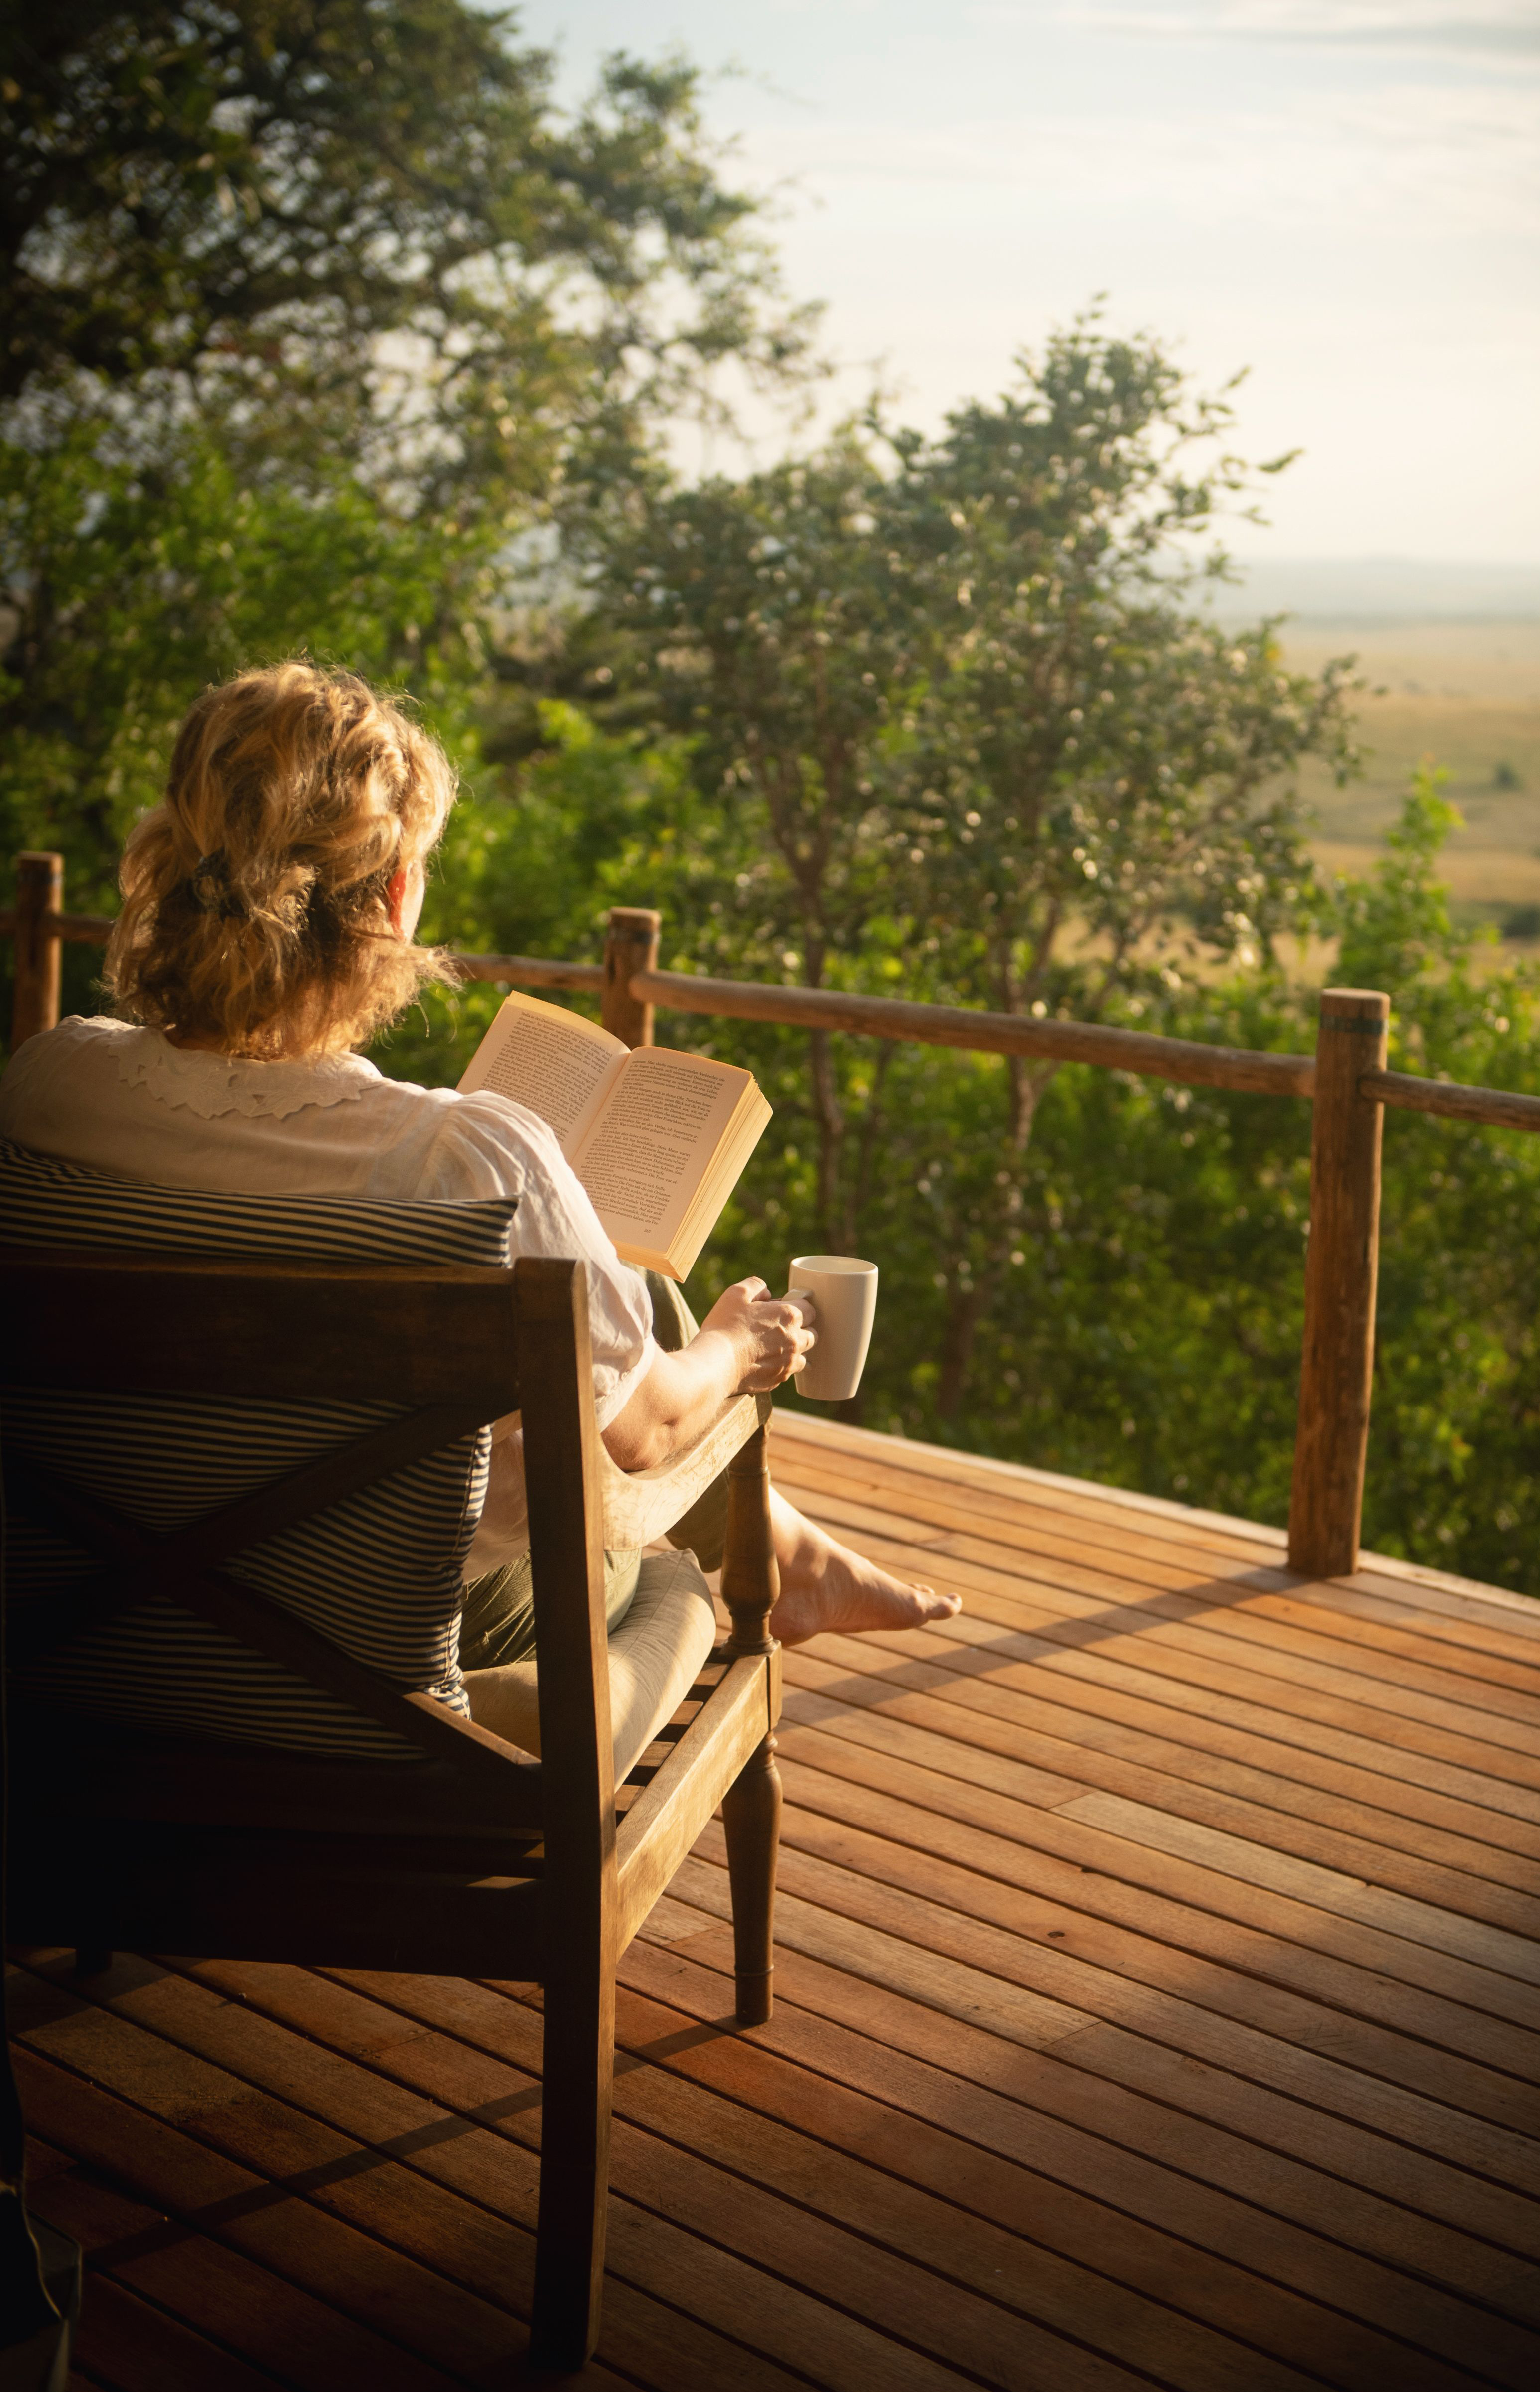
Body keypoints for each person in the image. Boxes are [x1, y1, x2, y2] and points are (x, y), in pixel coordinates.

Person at [0, 662, 960, 1663]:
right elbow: (650, 1438)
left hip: (86, 1616)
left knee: (602, 1328)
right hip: (364, 1646)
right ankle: (789, 1559)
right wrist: (741, 1348)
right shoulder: (468, 1161)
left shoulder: (45, 1083)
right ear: (397, 896)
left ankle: (799, 1554)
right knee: (644, 1409)